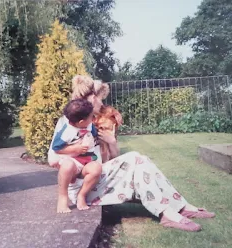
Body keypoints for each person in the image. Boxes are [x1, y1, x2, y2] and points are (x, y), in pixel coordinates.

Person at [48, 75, 215, 232]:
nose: (103, 103)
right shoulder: (69, 123)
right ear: (92, 98)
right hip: (84, 187)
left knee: (140, 159)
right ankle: (167, 212)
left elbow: (112, 159)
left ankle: (180, 207)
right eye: (100, 98)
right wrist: (76, 150)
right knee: (136, 158)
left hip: (98, 175)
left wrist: (111, 141)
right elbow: (53, 158)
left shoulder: (93, 121)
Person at [51, 99, 102, 212]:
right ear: (81, 122)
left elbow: (94, 137)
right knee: (67, 166)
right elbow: (56, 148)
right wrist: (75, 148)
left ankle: (81, 195)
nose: (93, 119)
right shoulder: (66, 132)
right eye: (91, 117)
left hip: (87, 161)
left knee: (96, 168)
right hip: (73, 161)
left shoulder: (89, 126)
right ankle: (62, 197)